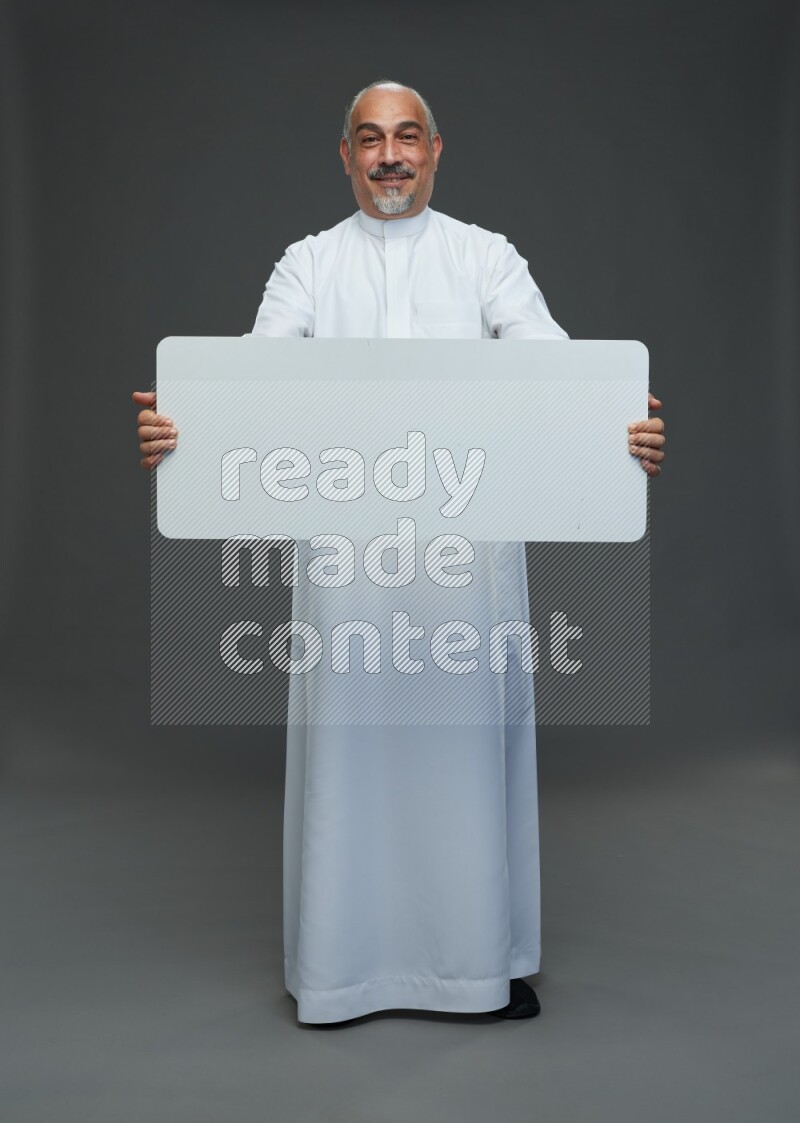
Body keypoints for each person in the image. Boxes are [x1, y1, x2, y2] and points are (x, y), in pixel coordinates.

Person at [133, 80, 666, 1025]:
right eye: (370, 140)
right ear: (344, 155)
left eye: (407, 138)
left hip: (468, 576)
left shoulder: (485, 258)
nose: (389, 156)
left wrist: (616, 432)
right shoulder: (307, 265)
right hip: (350, 582)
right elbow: (254, 380)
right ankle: (342, 972)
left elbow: (557, 368)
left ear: (435, 150)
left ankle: (475, 966)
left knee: (462, 754)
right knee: (354, 752)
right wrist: (189, 432)